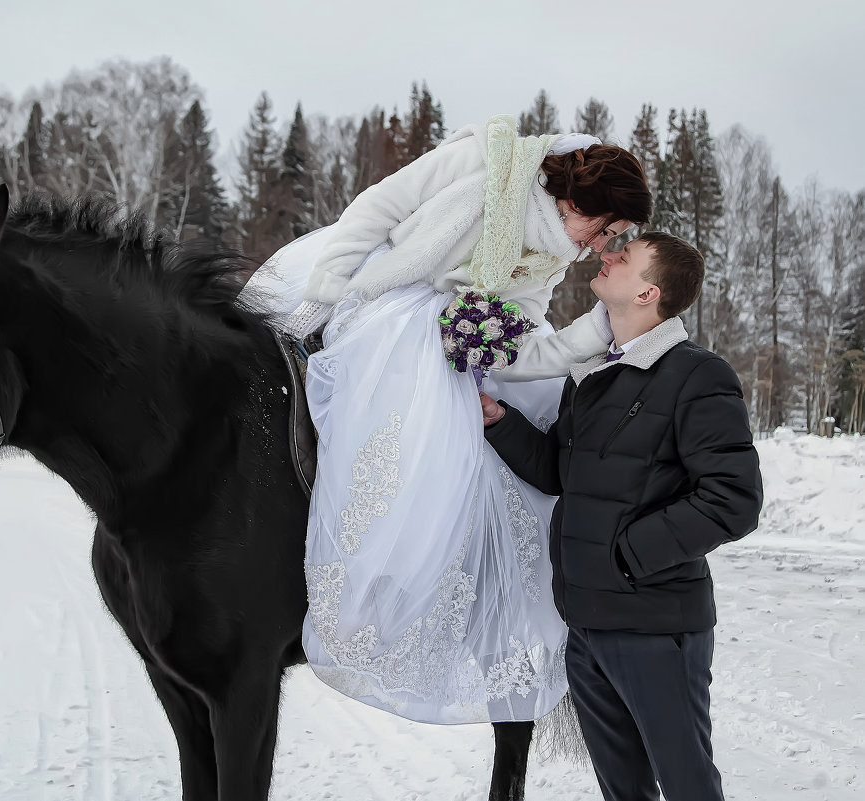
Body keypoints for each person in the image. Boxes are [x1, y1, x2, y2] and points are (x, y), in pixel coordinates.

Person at [242, 114, 651, 724]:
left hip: (448, 335)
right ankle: (354, 576)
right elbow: (378, 207)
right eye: (610, 227)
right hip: (383, 292)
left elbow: (520, 337)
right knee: (406, 424)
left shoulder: (554, 253)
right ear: (578, 199)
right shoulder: (485, 163)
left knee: (516, 423)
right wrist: (328, 291)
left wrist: (579, 338)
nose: (606, 245)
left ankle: (481, 604)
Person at [479, 232, 763, 799]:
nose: (607, 257)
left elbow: (734, 500)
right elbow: (562, 475)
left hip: (656, 626)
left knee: (687, 785)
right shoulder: (591, 372)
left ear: (647, 293)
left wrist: (628, 559)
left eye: (623, 258)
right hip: (585, 624)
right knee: (622, 790)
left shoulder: (697, 376)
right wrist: (497, 420)